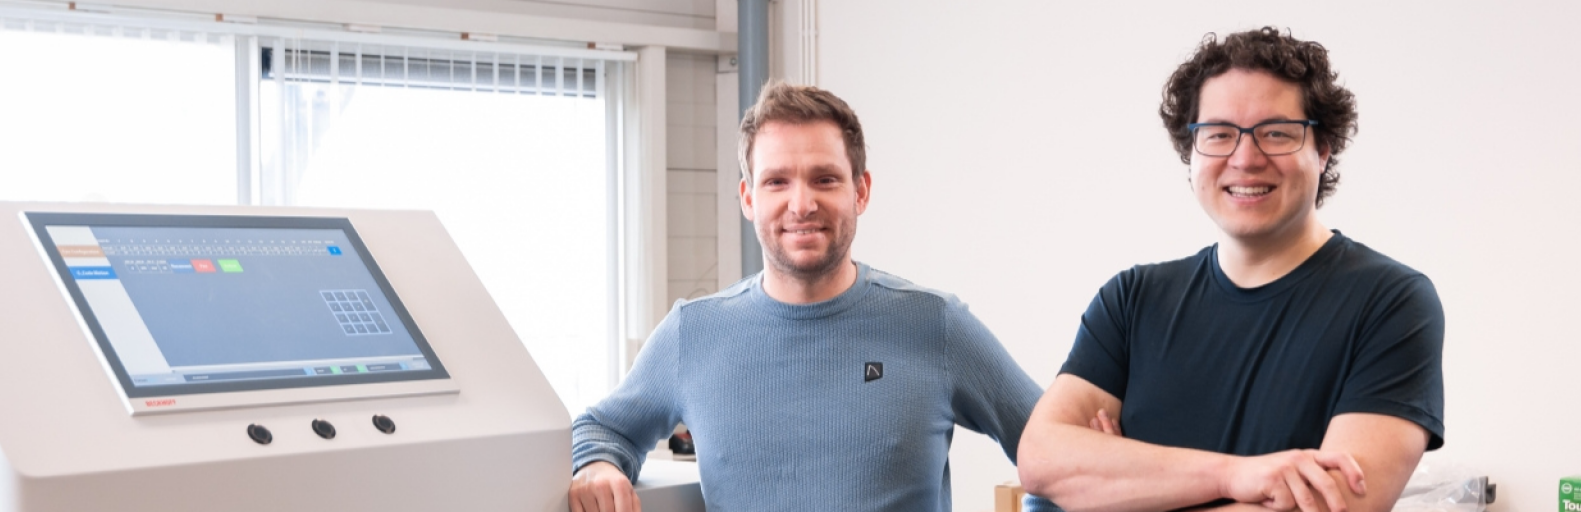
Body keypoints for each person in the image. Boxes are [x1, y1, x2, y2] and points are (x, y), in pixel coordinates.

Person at [568, 82, 1058, 512]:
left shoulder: (936, 324)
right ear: (748, 198)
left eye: (824, 179)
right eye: (776, 182)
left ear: (860, 191)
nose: (801, 204)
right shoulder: (693, 333)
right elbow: (600, 429)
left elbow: (1059, 451)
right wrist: (596, 466)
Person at [1018, 27, 1446, 512]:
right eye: (1219, 134)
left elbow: (1335, 504)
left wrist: (1126, 484)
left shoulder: (1391, 302)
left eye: (1277, 133)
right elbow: (1040, 459)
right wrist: (1237, 475)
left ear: (1323, 150)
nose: (1245, 159)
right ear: (1191, 151)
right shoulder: (1132, 300)